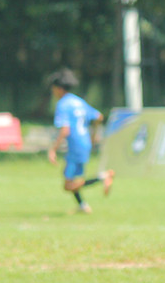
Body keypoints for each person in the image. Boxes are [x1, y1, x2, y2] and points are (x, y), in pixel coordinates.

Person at [46, 69, 114, 213]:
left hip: (76, 146)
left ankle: (103, 177)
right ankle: (83, 205)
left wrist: (53, 149)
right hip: (84, 144)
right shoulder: (78, 101)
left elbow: (65, 130)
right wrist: (94, 135)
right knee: (73, 179)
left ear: (58, 89)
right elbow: (99, 117)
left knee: (68, 184)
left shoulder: (63, 104)